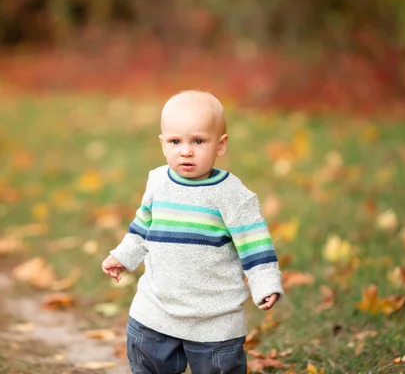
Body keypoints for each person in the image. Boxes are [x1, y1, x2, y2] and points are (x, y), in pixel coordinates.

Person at [101, 90, 284, 374]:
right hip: (155, 310)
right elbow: (143, 227)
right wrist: (123, 256)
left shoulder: (232, 195)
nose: (186, 151)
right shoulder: (158, 181)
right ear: (163, 144)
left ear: (220, 145)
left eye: (198, 141)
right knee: (148, 366)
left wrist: (265, 283)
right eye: (176, 142)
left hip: (214, 318)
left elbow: (254, 244)